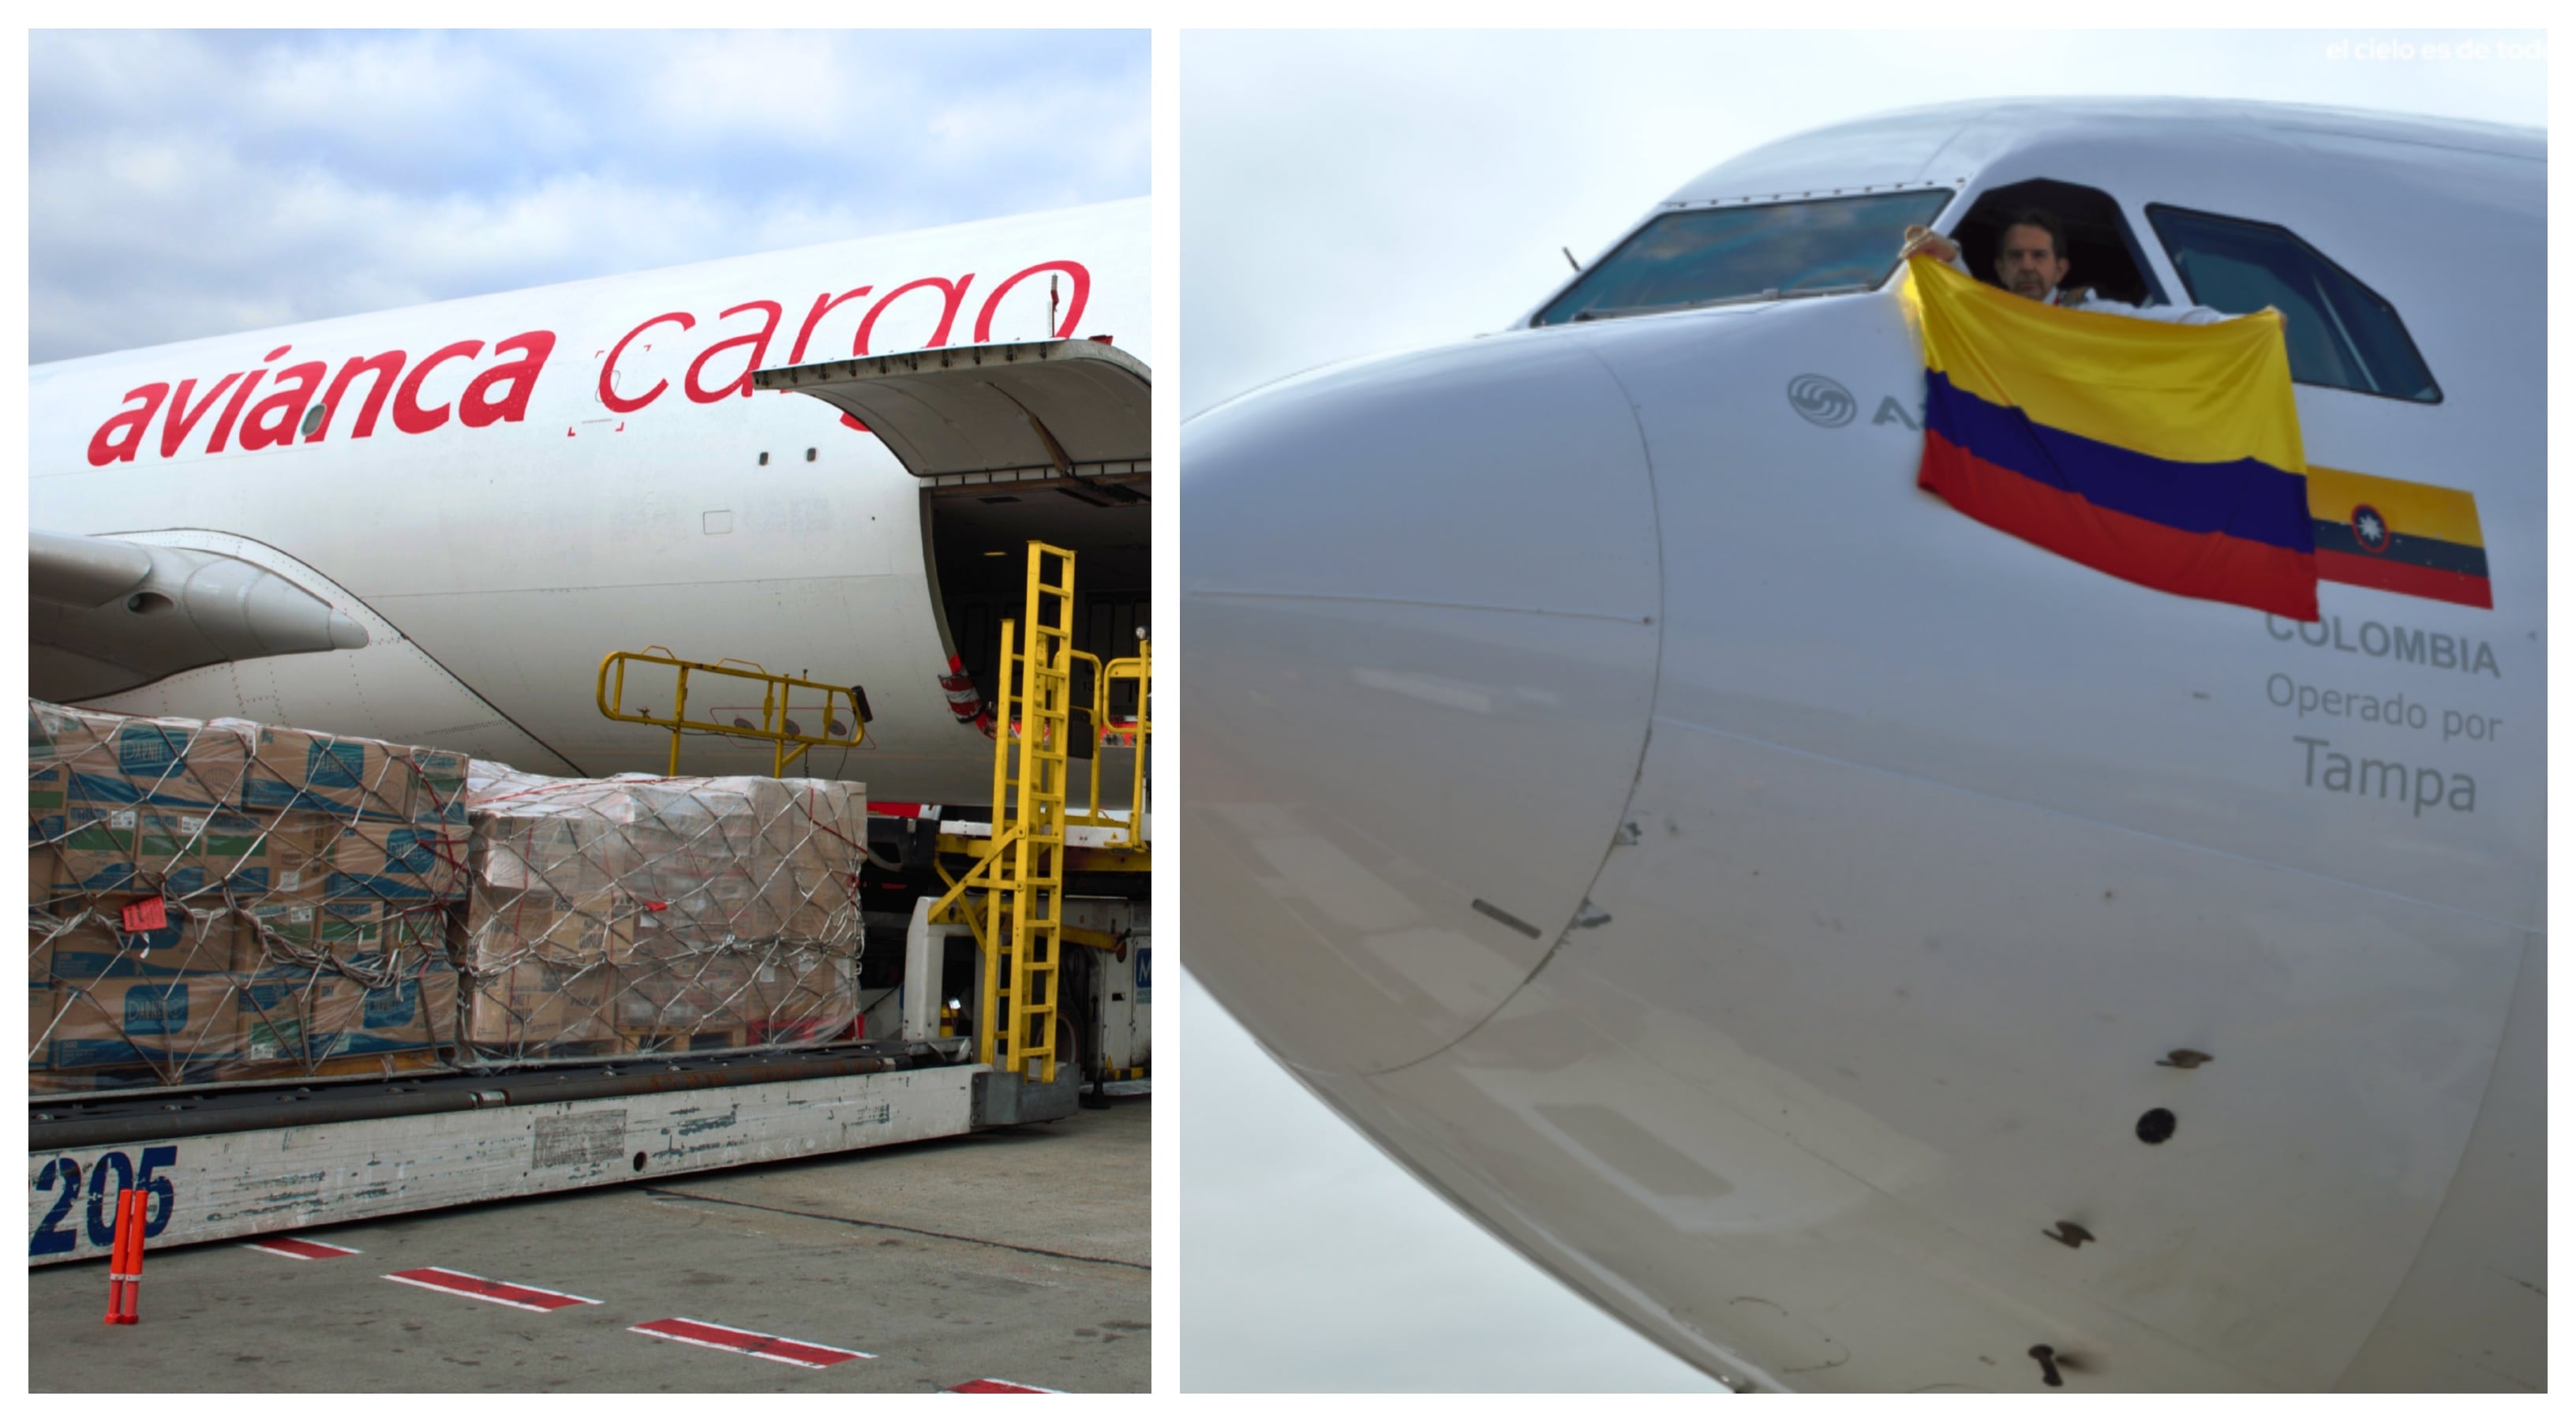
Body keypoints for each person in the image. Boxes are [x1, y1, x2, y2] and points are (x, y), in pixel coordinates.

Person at [1900, 209, 2240, 326]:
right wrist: (1949, 257)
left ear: (2060, 270)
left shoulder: (2084, 315)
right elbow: (1965, 303)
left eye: (2039, 256)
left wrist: (2239, 326)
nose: (2027, 267)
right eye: (2016, 257)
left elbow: (2164, 322)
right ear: (2000, 269)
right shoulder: (1992, 314)